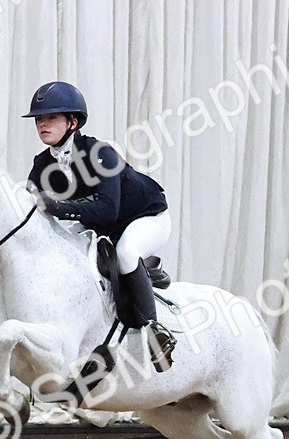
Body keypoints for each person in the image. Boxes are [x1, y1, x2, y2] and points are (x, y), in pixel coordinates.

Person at [23, 80, 176, 372]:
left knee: (127, 253)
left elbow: (108, 209)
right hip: (100, 225)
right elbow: (30, 207)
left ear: (73, 122)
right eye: (39, 119)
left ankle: (154, 330)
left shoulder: (100, 153)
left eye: (51, 117)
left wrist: (59, 208)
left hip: (145, 217)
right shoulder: (42, 163)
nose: (42, 124)